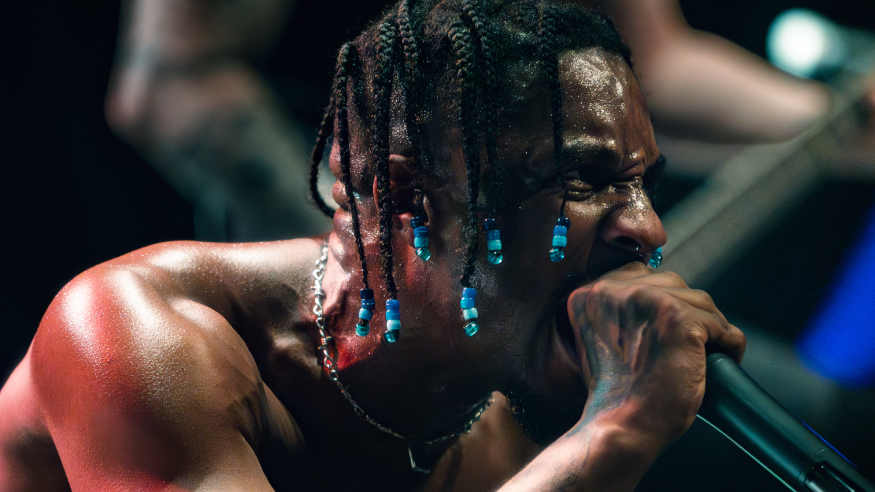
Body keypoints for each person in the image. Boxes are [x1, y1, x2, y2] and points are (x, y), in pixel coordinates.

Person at [0, 1, 746, 490]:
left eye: (642, 183)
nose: (647, 229)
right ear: (406, 198)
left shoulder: (500, 433)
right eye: (584, 179)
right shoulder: (139, 334)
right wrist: (615, 431)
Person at [104, 0, 831, 241]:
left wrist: (833, 120)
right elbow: (174, 86)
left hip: (534, 290)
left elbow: (654, 68)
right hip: (337, 325)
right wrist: (365, 272)